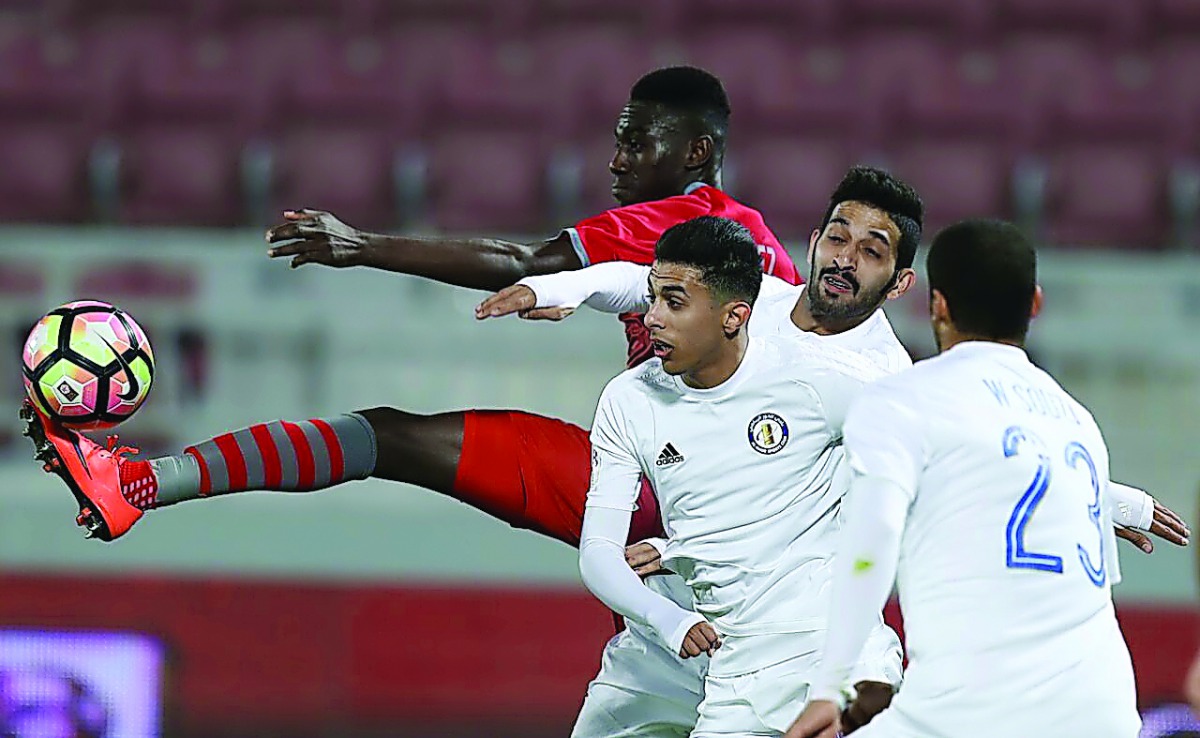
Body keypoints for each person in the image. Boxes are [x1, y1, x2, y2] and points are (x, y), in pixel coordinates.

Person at [20, 66, 796, 547]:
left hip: (652, 496)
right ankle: (139, 484)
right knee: (390, 437)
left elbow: (525, 262)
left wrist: (361, 245)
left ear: (696, 152)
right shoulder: (766, 246)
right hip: (730, 506)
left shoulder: (671, 220)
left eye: (637, 142)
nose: (617, 160)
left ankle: (141, 485)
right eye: (618, 140)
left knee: (386, 439)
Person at [786, 219, 1142, 738]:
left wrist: (828, 687)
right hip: (1106, 711)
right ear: (1035, 304)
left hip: (972, 709)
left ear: (938, 306)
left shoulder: (902, 400)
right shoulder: (1079, 422)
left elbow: (870, 548)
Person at [581, 214, 915, 737]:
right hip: (729, 662)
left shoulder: (817, 383)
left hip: (828, 650)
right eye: (653, 298)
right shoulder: (628, 400)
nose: (652, 319)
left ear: (734, 316)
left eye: (674, 303)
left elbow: (932, 459)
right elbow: (599, 552)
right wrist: (670, 616)